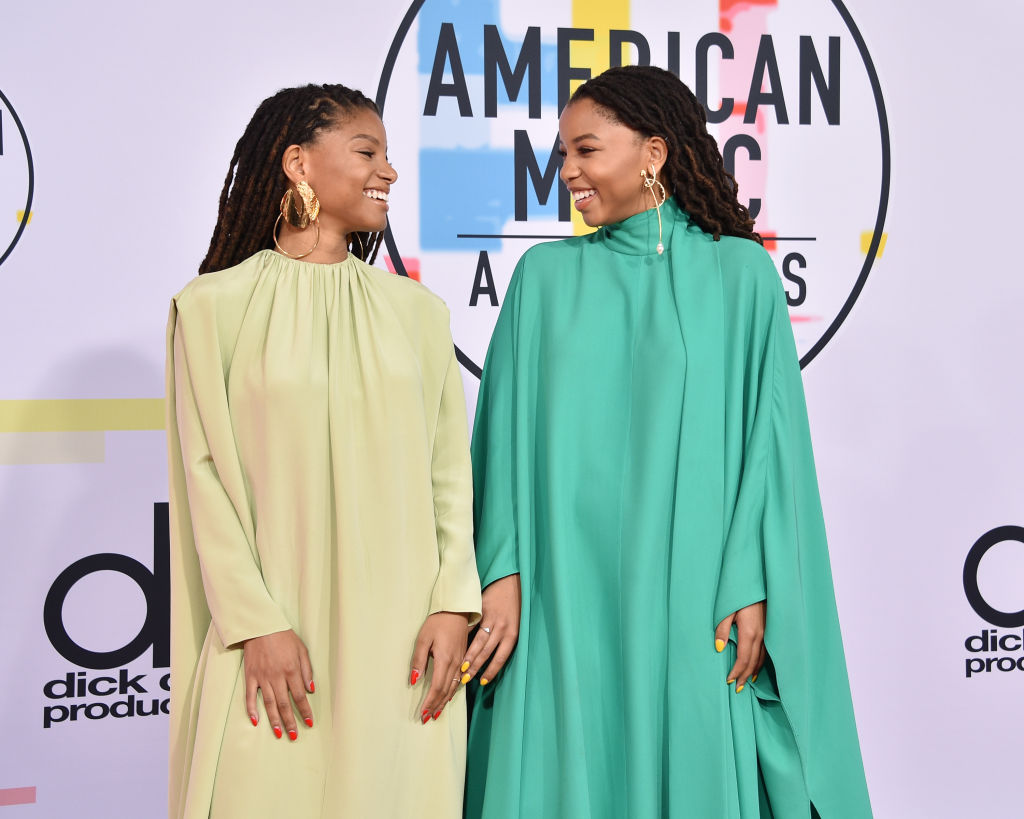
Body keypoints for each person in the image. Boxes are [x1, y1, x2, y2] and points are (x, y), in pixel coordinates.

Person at [461, 65, 872, 818]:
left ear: (653, 152)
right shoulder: (541, 279)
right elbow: (501, 447)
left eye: (585, 150)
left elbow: (770, 442)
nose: (568, 172)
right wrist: (503, 572)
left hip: (696, 581)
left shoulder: (740, 273)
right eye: (562, 155)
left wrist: (751, 577)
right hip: (563, 584)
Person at [165, 83, 481, 818]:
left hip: (404, 644)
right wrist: (254, 621)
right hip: (273, 638)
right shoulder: (211, 308)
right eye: (367, 152)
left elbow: (448, 474)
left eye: (389, 155)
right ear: (298, 163)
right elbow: (203, 476)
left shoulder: (418, 313)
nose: (390, 173)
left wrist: (452, 604)